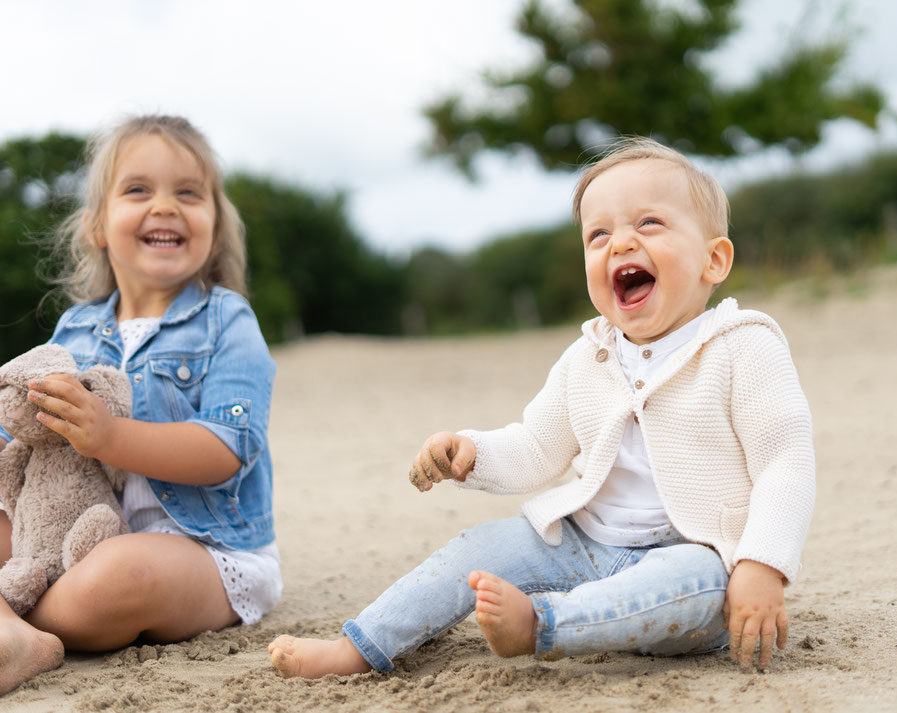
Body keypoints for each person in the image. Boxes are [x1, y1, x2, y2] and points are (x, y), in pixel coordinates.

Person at [269, 137, 815, 678]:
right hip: (581, 548)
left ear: (713, 260)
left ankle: (544, 624)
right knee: (478, 548)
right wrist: (472, 453)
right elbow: (536, 446)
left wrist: (761, 566)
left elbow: (783, 463)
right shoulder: (590, 356)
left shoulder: (743, 345)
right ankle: (361, 647)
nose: (620, 244)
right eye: (598, 234)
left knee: (696, 580)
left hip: (696, 560)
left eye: (649, 224)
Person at [0, 115, 280, 694]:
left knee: (120, 575)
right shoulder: (75, 329)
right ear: (96, 226)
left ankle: (20, 618)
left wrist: (110, 438)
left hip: (199, 550)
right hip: (65, 538)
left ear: (216, 226)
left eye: (188, 193)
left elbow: (229, 448)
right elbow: (24, 435)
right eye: (137, 190)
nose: (165, 206)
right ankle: (16, 629)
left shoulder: (227, 319)